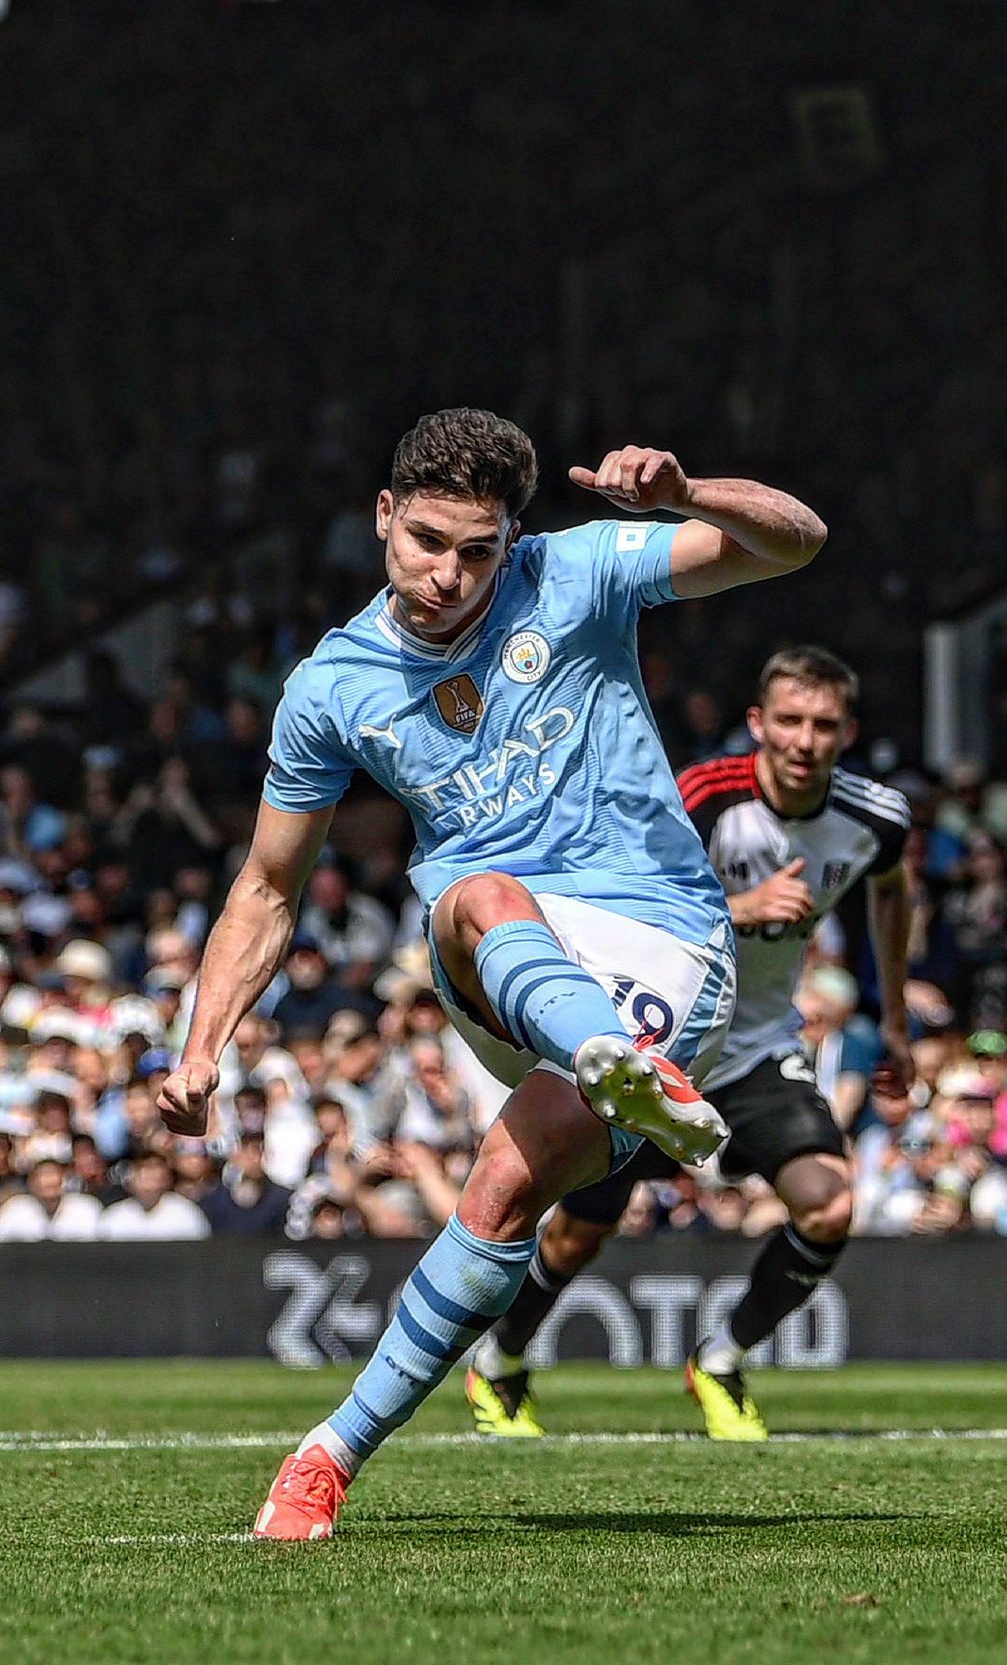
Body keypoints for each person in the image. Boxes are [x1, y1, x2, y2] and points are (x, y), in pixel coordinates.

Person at [157, 409, 825, 1537]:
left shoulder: (576, 572)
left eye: (478, 548)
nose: (449, 573)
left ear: (514, 536)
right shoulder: (332, 686)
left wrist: (690, 491)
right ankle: (604, 1053)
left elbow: (796, 538)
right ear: (384, 517)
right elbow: (268, 886)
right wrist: (203, 1042)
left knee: (500, 1194)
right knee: (474, 891)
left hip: (661, 940)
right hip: (505, 964)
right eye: (425, 540)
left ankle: (324, 1457)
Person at [464, 644, 911, 1442]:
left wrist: (899, 1022)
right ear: (758, 725)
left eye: (823, 725)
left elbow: (891, 894)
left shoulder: (877, 817)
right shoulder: (705, 795)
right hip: (659, 1039)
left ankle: (722, 1359)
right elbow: (633, 903)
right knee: (577, 1232)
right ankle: (499, 1363)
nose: (805, 740)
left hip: (757, 1049)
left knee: (831, 1203)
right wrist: (742, 908)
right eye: (790, 722)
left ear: (846, 732)